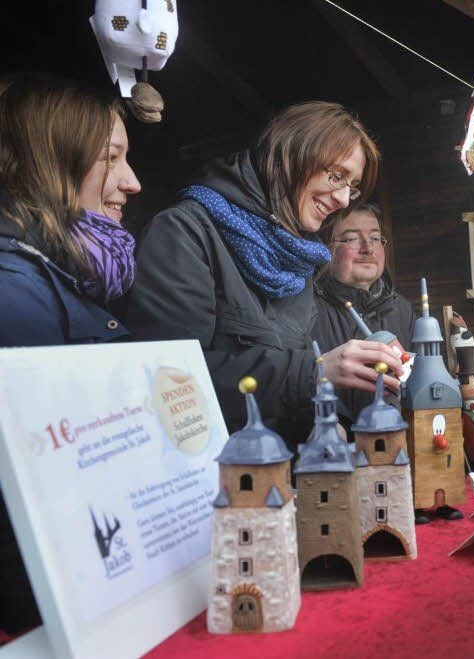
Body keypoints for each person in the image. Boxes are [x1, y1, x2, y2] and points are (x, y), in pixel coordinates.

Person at [126, 102, 403, 443]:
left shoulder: (298, 257)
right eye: (336, 175)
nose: (345, 199)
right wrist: (314, 373)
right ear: (290, 157)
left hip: (289, 472)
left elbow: (294, 367)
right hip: (220, 473)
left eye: (353, 185)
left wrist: (334, 423)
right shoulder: (185, 233)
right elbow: (169, 381)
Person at [0, 73, 142, 634]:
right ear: (49, 160)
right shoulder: (14, 289)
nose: (131, 182)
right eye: (112, 157)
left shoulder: (66, 276)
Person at [311, 202, 414, 426]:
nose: (368, 248)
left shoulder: (402, 310)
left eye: (375, 238)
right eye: (351, 239)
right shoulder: (306, 309)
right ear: (326, 248)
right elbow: (296, 384)